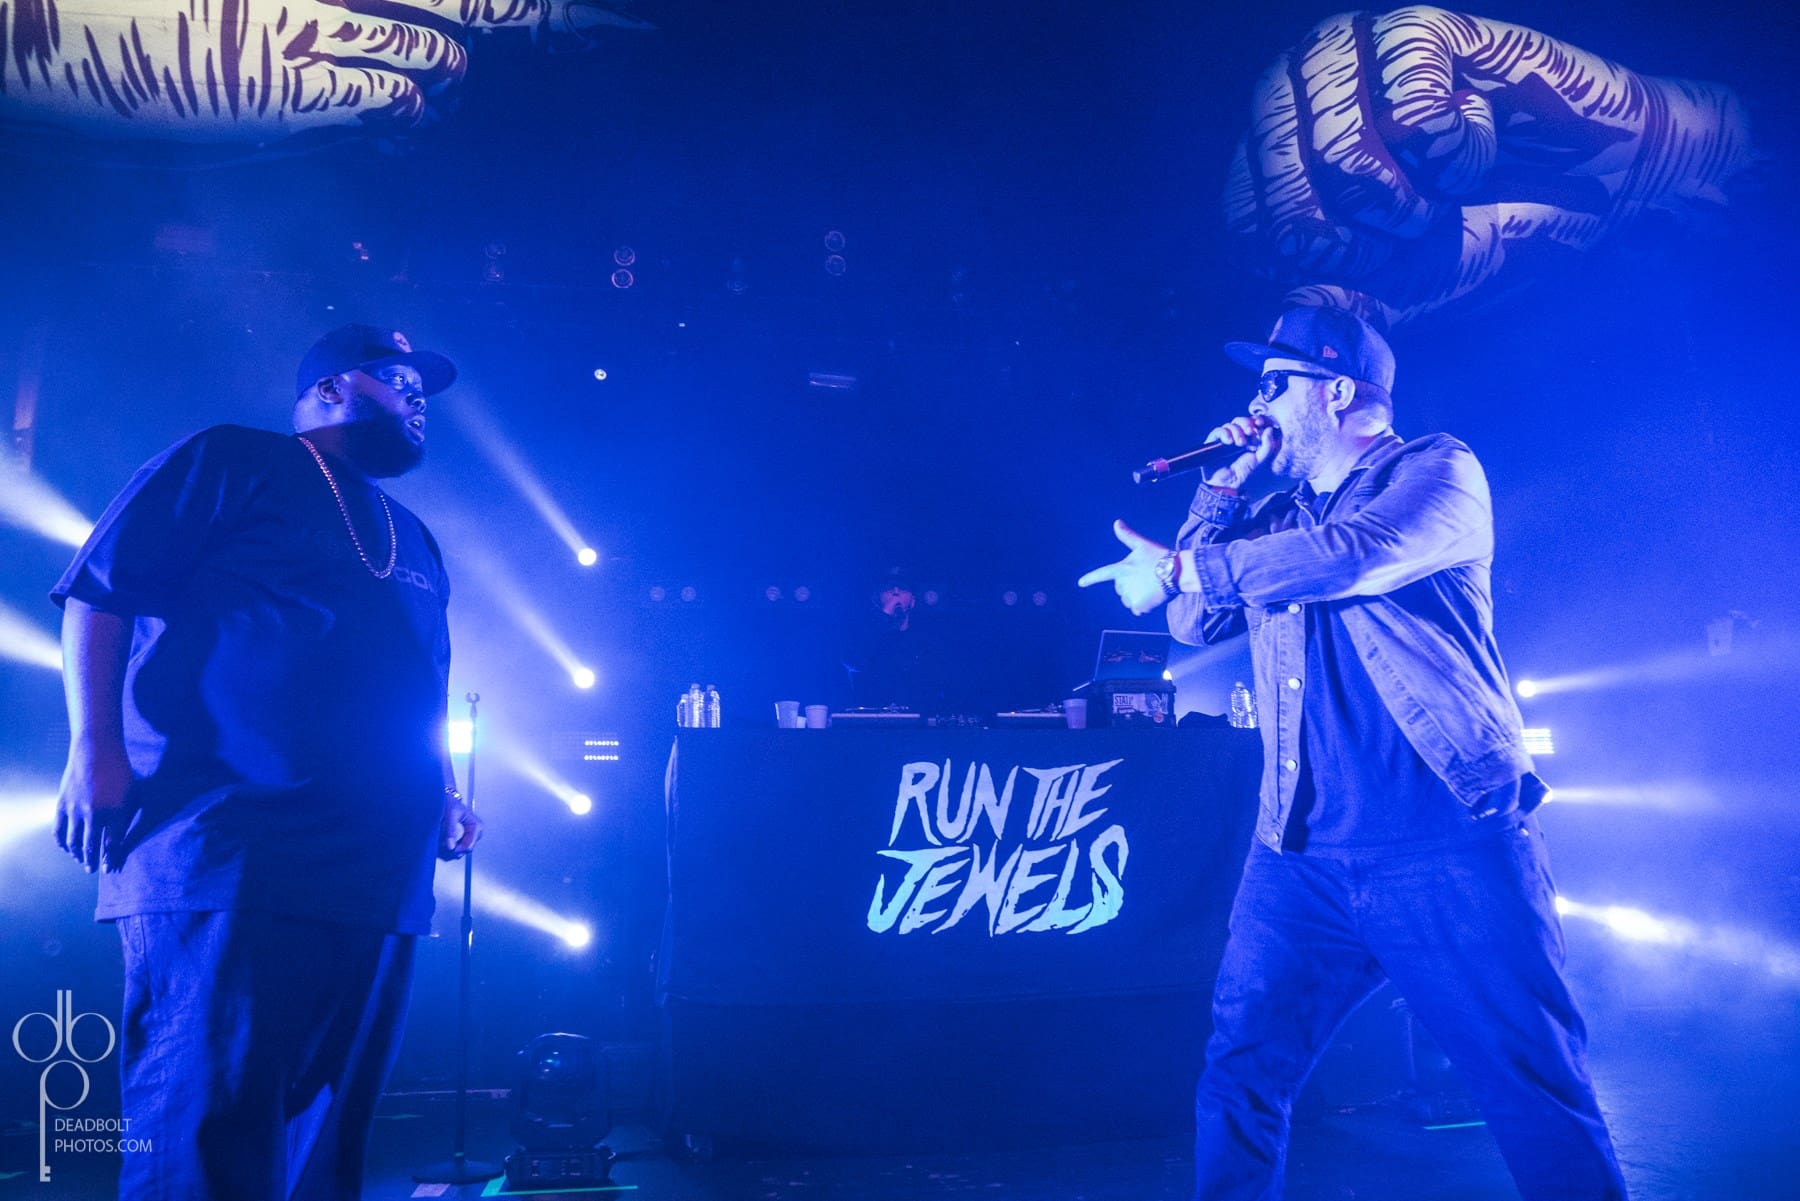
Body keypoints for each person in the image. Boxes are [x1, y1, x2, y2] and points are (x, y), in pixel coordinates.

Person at [1078, 306, 1626, 1200]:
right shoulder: (1276, 515)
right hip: (1300, 859)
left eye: (1273, 385)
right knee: (1241, 1075)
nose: (1254, 406)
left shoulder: (1438, 470)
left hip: (1447, 845)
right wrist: (1220, 492)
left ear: (1337, 392)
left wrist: (1184, 567)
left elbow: (1354, 555)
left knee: (1533, 1089)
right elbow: (1191, 620)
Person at [51, 324, 480, 1201]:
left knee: (329, 1151)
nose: (416, 396)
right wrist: (94, 750)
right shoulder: (231, 460)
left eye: (422, 386)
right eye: (394, 376)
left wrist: (443, 789)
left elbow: (421, 683)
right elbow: (99, 594)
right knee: (202, 1135)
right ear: (328, 389)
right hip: (229, 846)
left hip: (380, 873)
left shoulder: (413, 536)